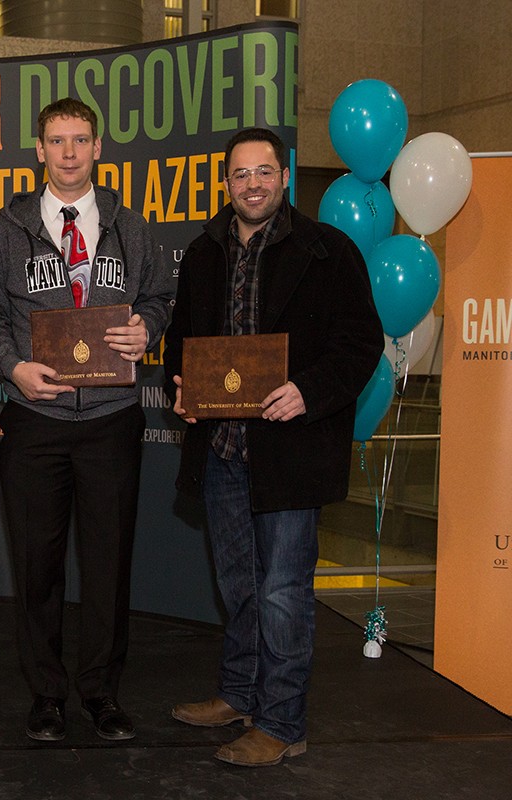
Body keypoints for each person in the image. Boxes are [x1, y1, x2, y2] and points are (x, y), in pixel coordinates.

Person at [164, 127, 384, 767]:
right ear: (226, 182)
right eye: (240, 174)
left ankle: (283, 722)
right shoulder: (203, 254)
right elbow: (182, 340)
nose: (253, 183)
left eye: (264, 172)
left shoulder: (327, 250)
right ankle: (239, 694)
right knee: (237, 584)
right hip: (223, 451)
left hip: (291, 452)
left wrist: (307, 392)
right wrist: (181, 386)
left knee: (283, 591)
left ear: (283, 176)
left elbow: (359, 344)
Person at [0, 97, 172, 742]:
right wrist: (13, 368)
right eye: (56, 141)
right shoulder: (8, 231)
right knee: (38, 564)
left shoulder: (129, 227)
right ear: (39, 150)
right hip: (36, 417)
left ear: (97, 147)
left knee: (109, 563)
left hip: (112, 417)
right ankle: (47, 694)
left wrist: (150, 329)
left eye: (80, 140)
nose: (68, 152)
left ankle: (102, 692)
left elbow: (157, 298)